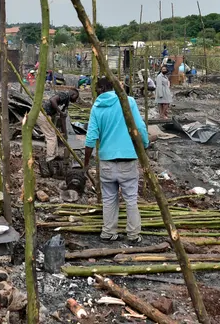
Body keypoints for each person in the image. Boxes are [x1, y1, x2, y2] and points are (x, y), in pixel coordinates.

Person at [84, 76, 149, 244]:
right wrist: (145, 144)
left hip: (106, 161)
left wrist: (86, 163)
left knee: (108, 199)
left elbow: (90, 138)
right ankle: (133, 235)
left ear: (98, 90)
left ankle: (108, 232)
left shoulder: (96, 107)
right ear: (113, 87)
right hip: (128, 159)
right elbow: (140, 127)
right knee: (131, 199)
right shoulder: (128, 101)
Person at [36, 88, 79, 164]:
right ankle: (50, 158)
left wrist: (65, 134)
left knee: (53, 135)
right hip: (43, 114)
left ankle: (54, 155)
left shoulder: (66, 102)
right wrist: (60, 112)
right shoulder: (65, 95)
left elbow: (63, 118)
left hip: (46, 115)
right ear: (73, 94)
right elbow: (52, 100)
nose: (76, 100)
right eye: (76, 97)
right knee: (51, 136)